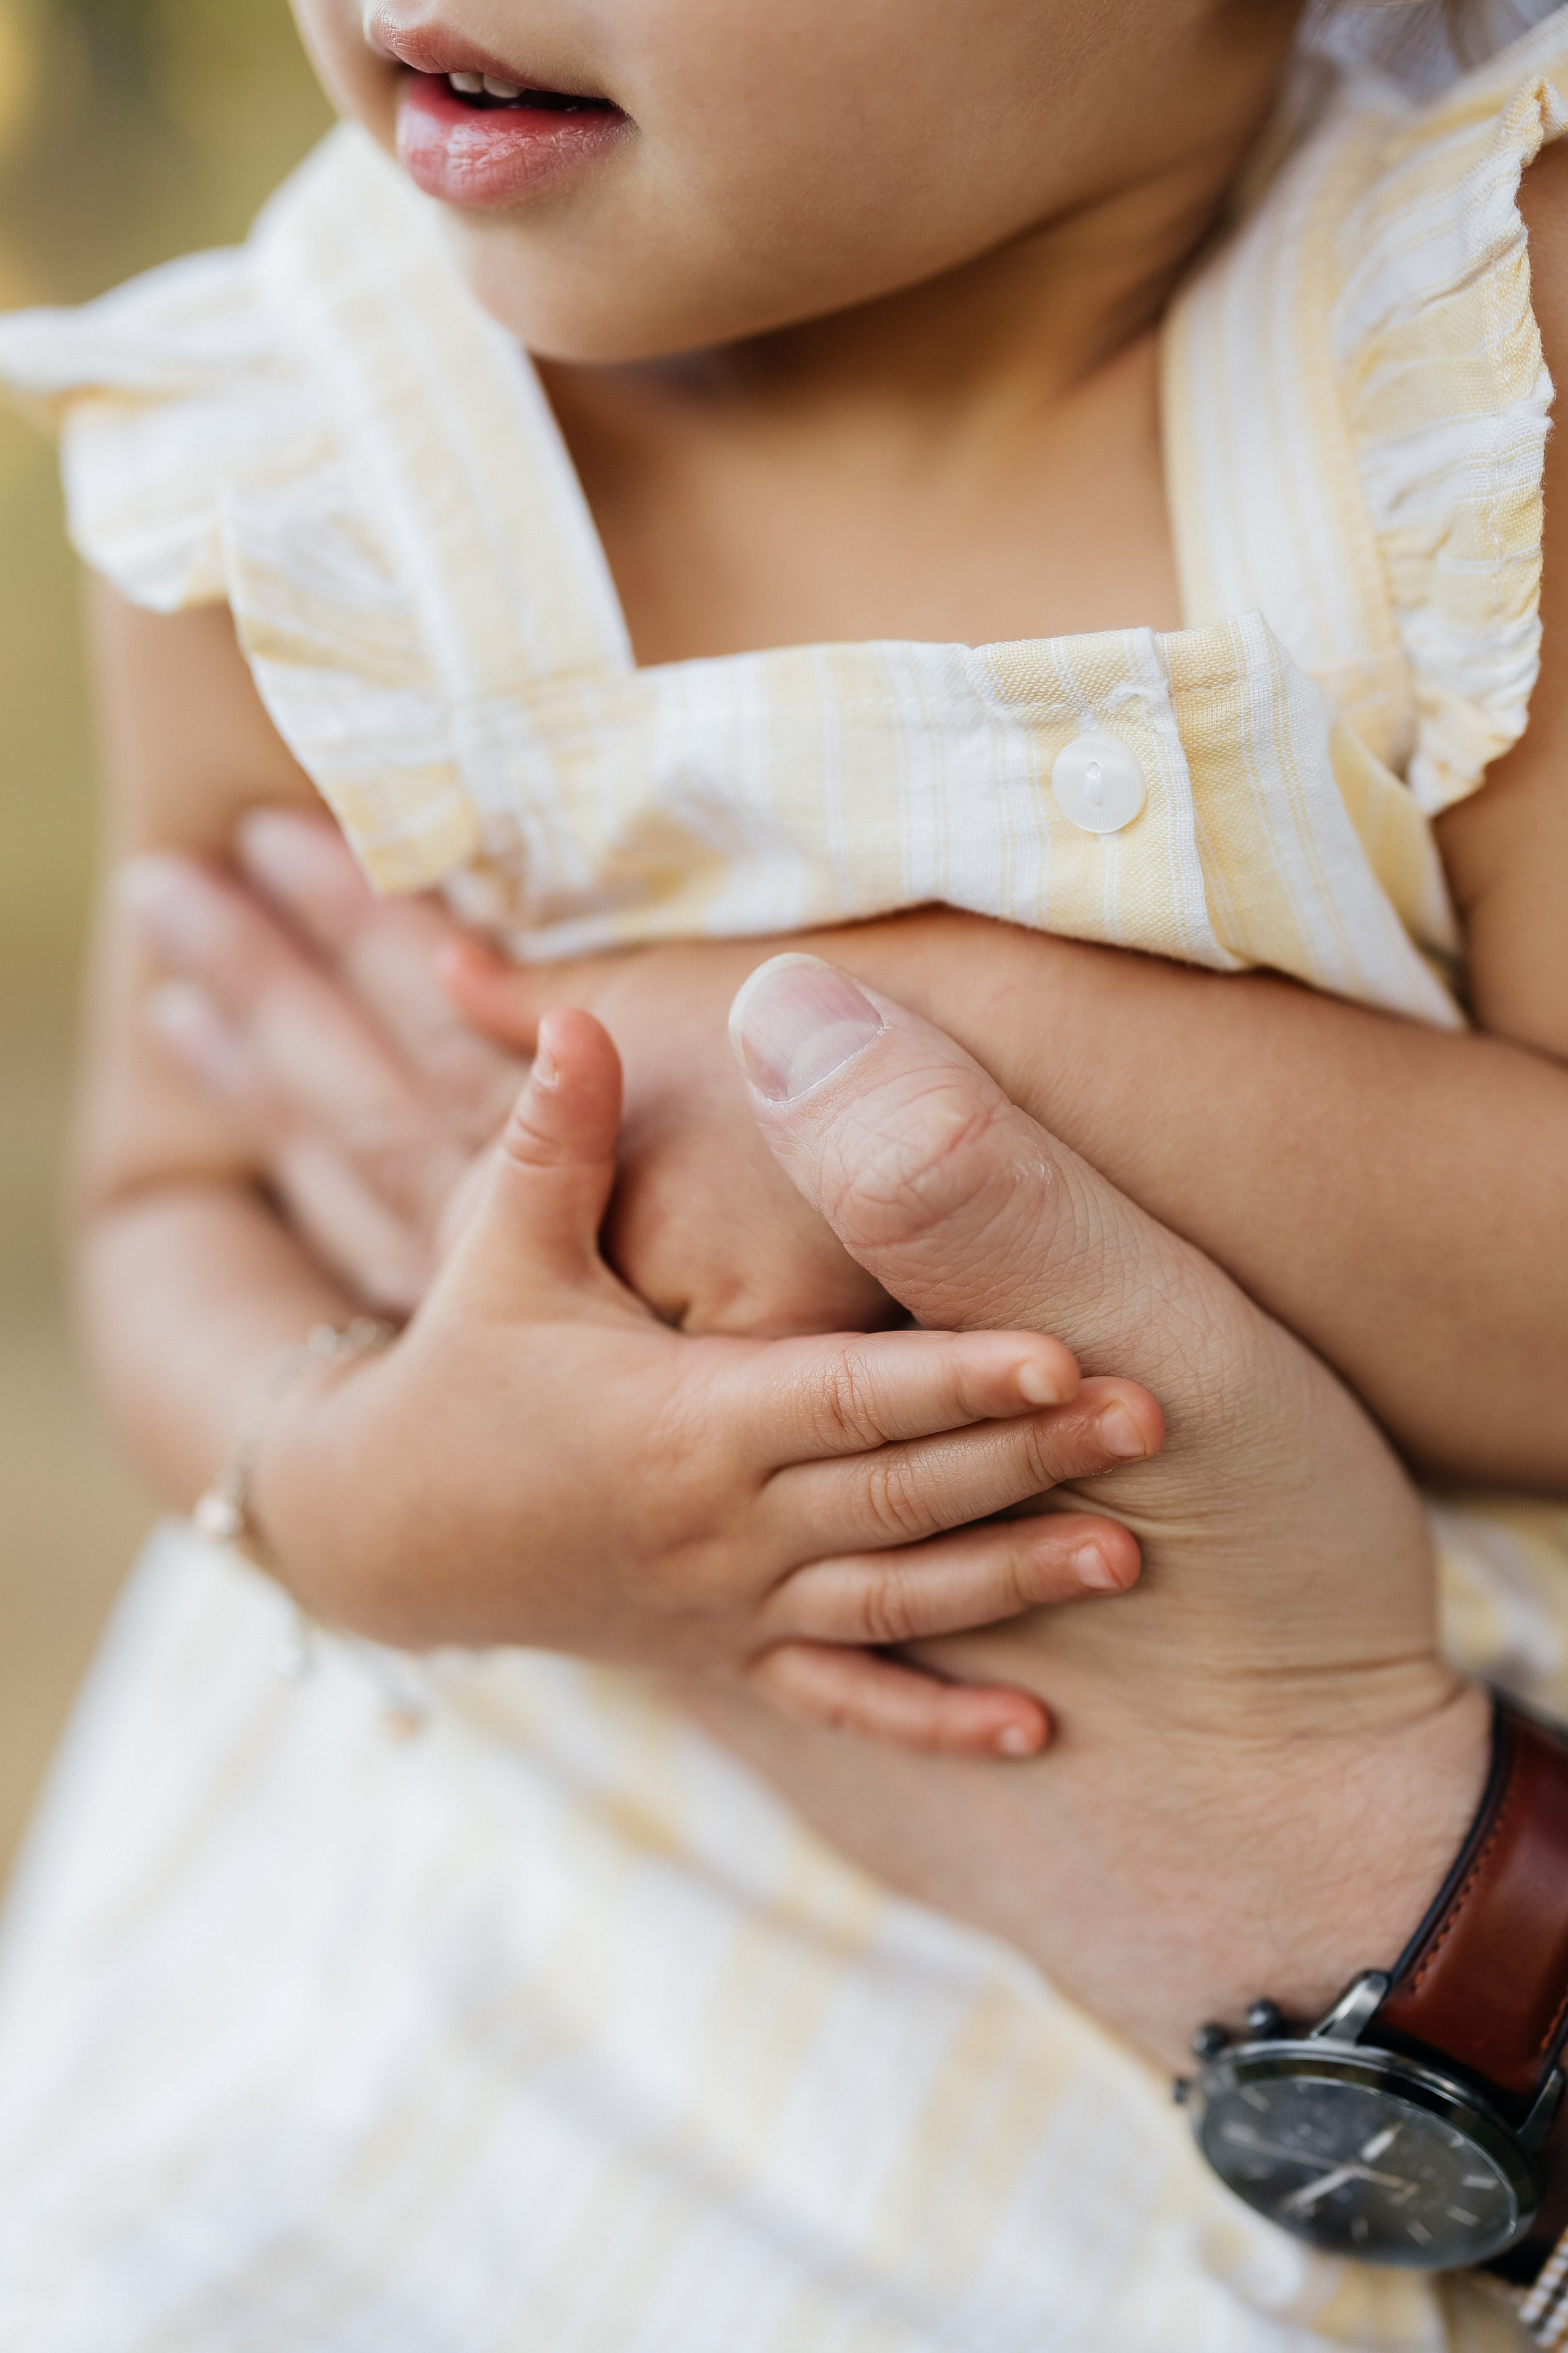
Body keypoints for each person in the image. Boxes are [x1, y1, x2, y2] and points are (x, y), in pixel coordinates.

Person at [0, 0, 1564, 2338]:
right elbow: (168, 1193)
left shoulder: (1464, 372)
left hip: (1185, 2172)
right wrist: (367, 1485)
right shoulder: (296, 449)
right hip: (400, 2069)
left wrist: (929, 1060)